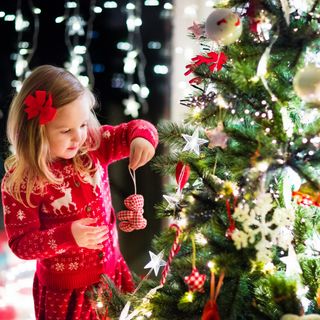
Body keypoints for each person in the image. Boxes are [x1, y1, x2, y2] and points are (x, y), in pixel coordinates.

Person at [1, 65, 158, 320]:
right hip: (65, 295)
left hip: (111, 274)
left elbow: (135, 128)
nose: (78, 137)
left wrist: (141, 138)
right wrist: (68, 235)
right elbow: (21, 244)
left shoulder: (93, 146)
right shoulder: (22, 182)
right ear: (36, 132)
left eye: (83, 124)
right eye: (66, 131)